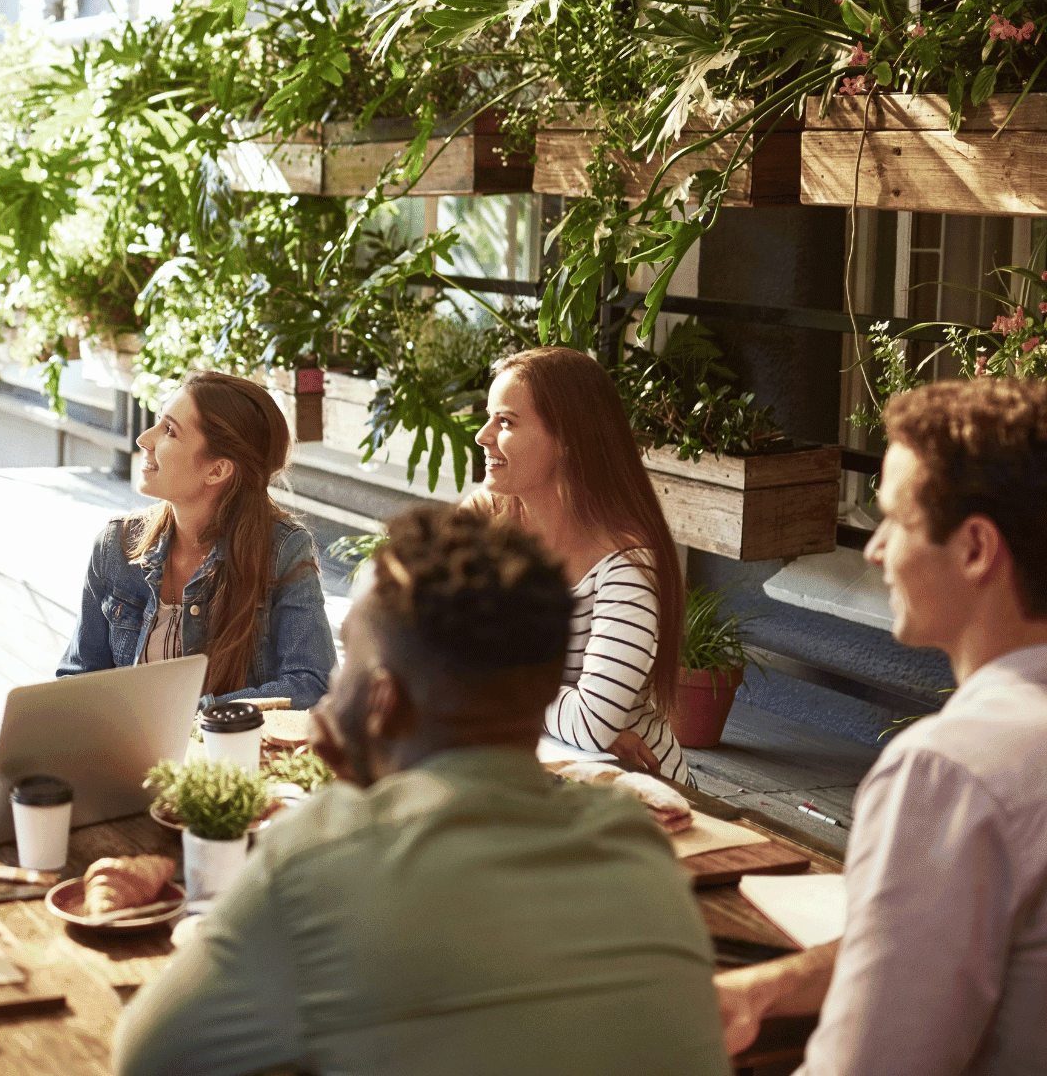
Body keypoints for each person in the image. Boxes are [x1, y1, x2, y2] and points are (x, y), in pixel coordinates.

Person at [113, 505, 730, 1076]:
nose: (330, 686)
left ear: (382, 701)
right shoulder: (641, 852)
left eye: (347, 654)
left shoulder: (322, 859)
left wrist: (347, 803)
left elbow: (145, 1057)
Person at [713, 377, 1047, 1074]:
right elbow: (943, 946)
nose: (872, 550)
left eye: (893, 520)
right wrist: (772, 988)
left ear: (977, 548)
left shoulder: (951, 769)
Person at [468, 347, 689, 782]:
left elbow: (591, 724)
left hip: (633, 791)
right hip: (529, 769)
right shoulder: (483, 517)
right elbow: (417, 649)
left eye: (506, 421)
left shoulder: (625, 567)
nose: (483, 434)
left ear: (567, 439)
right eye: (490, 417)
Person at [57, 370, 335, 708]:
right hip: (124, 756)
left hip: (225, 756)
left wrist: (186, 716)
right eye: (158, 423)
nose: (145, 438)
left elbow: (311, 684)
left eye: (169, 430)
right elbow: (77, 679)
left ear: (217, 470)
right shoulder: (116, 545)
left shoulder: (282, 550)